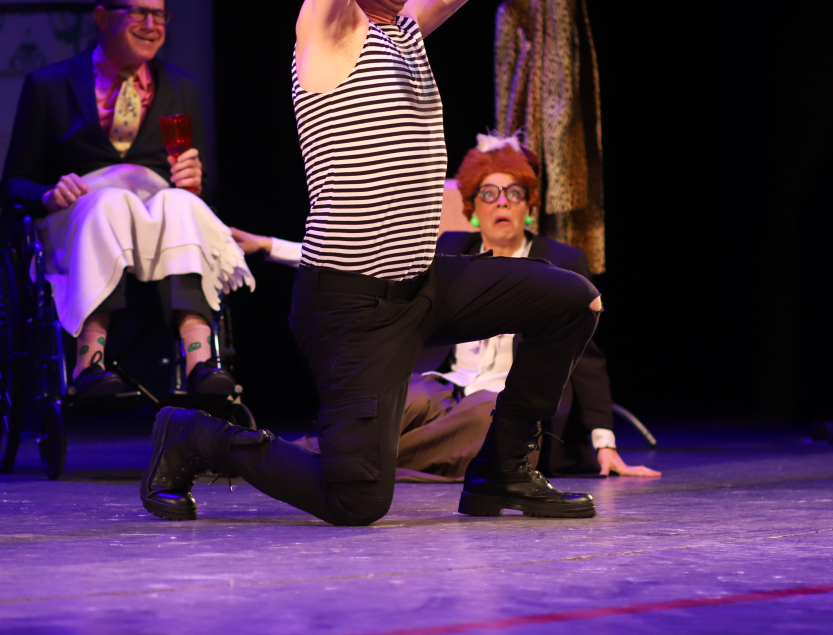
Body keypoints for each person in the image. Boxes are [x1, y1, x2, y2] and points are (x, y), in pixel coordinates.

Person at [140, 0, 606, 526]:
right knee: (356, 497)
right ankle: (197, 436)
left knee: (572, 299)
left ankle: (504, 472)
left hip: (423, 280)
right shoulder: (325, 31)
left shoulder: (406, 26)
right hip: (351, 304)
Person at [231, 135, 660, 481]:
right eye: (489, 193)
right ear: (473, 208)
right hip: (448, 386)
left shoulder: (562, 262)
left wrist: (605, 444)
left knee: (486, 421)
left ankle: (309, 461)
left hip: (503, 401)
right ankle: (330, 459)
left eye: (514, 193)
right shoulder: (454, 248)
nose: (502, 202)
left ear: (529, 205)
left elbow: (586, 359)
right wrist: (270, 246)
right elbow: (366, 264)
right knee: (400, 397)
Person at [1, 0, 253, 399]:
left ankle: (200, 361)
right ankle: (89, 362)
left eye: (160, 15)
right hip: (80, 218)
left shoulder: (181, 87)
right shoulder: (48, 86)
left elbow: (201, 186)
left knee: (180, 204)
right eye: (138, 12)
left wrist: (194, 182)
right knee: (108, 204)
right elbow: (13, 184)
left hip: (157, 226)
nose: (152, 25)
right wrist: (47, 194)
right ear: (102, 17)